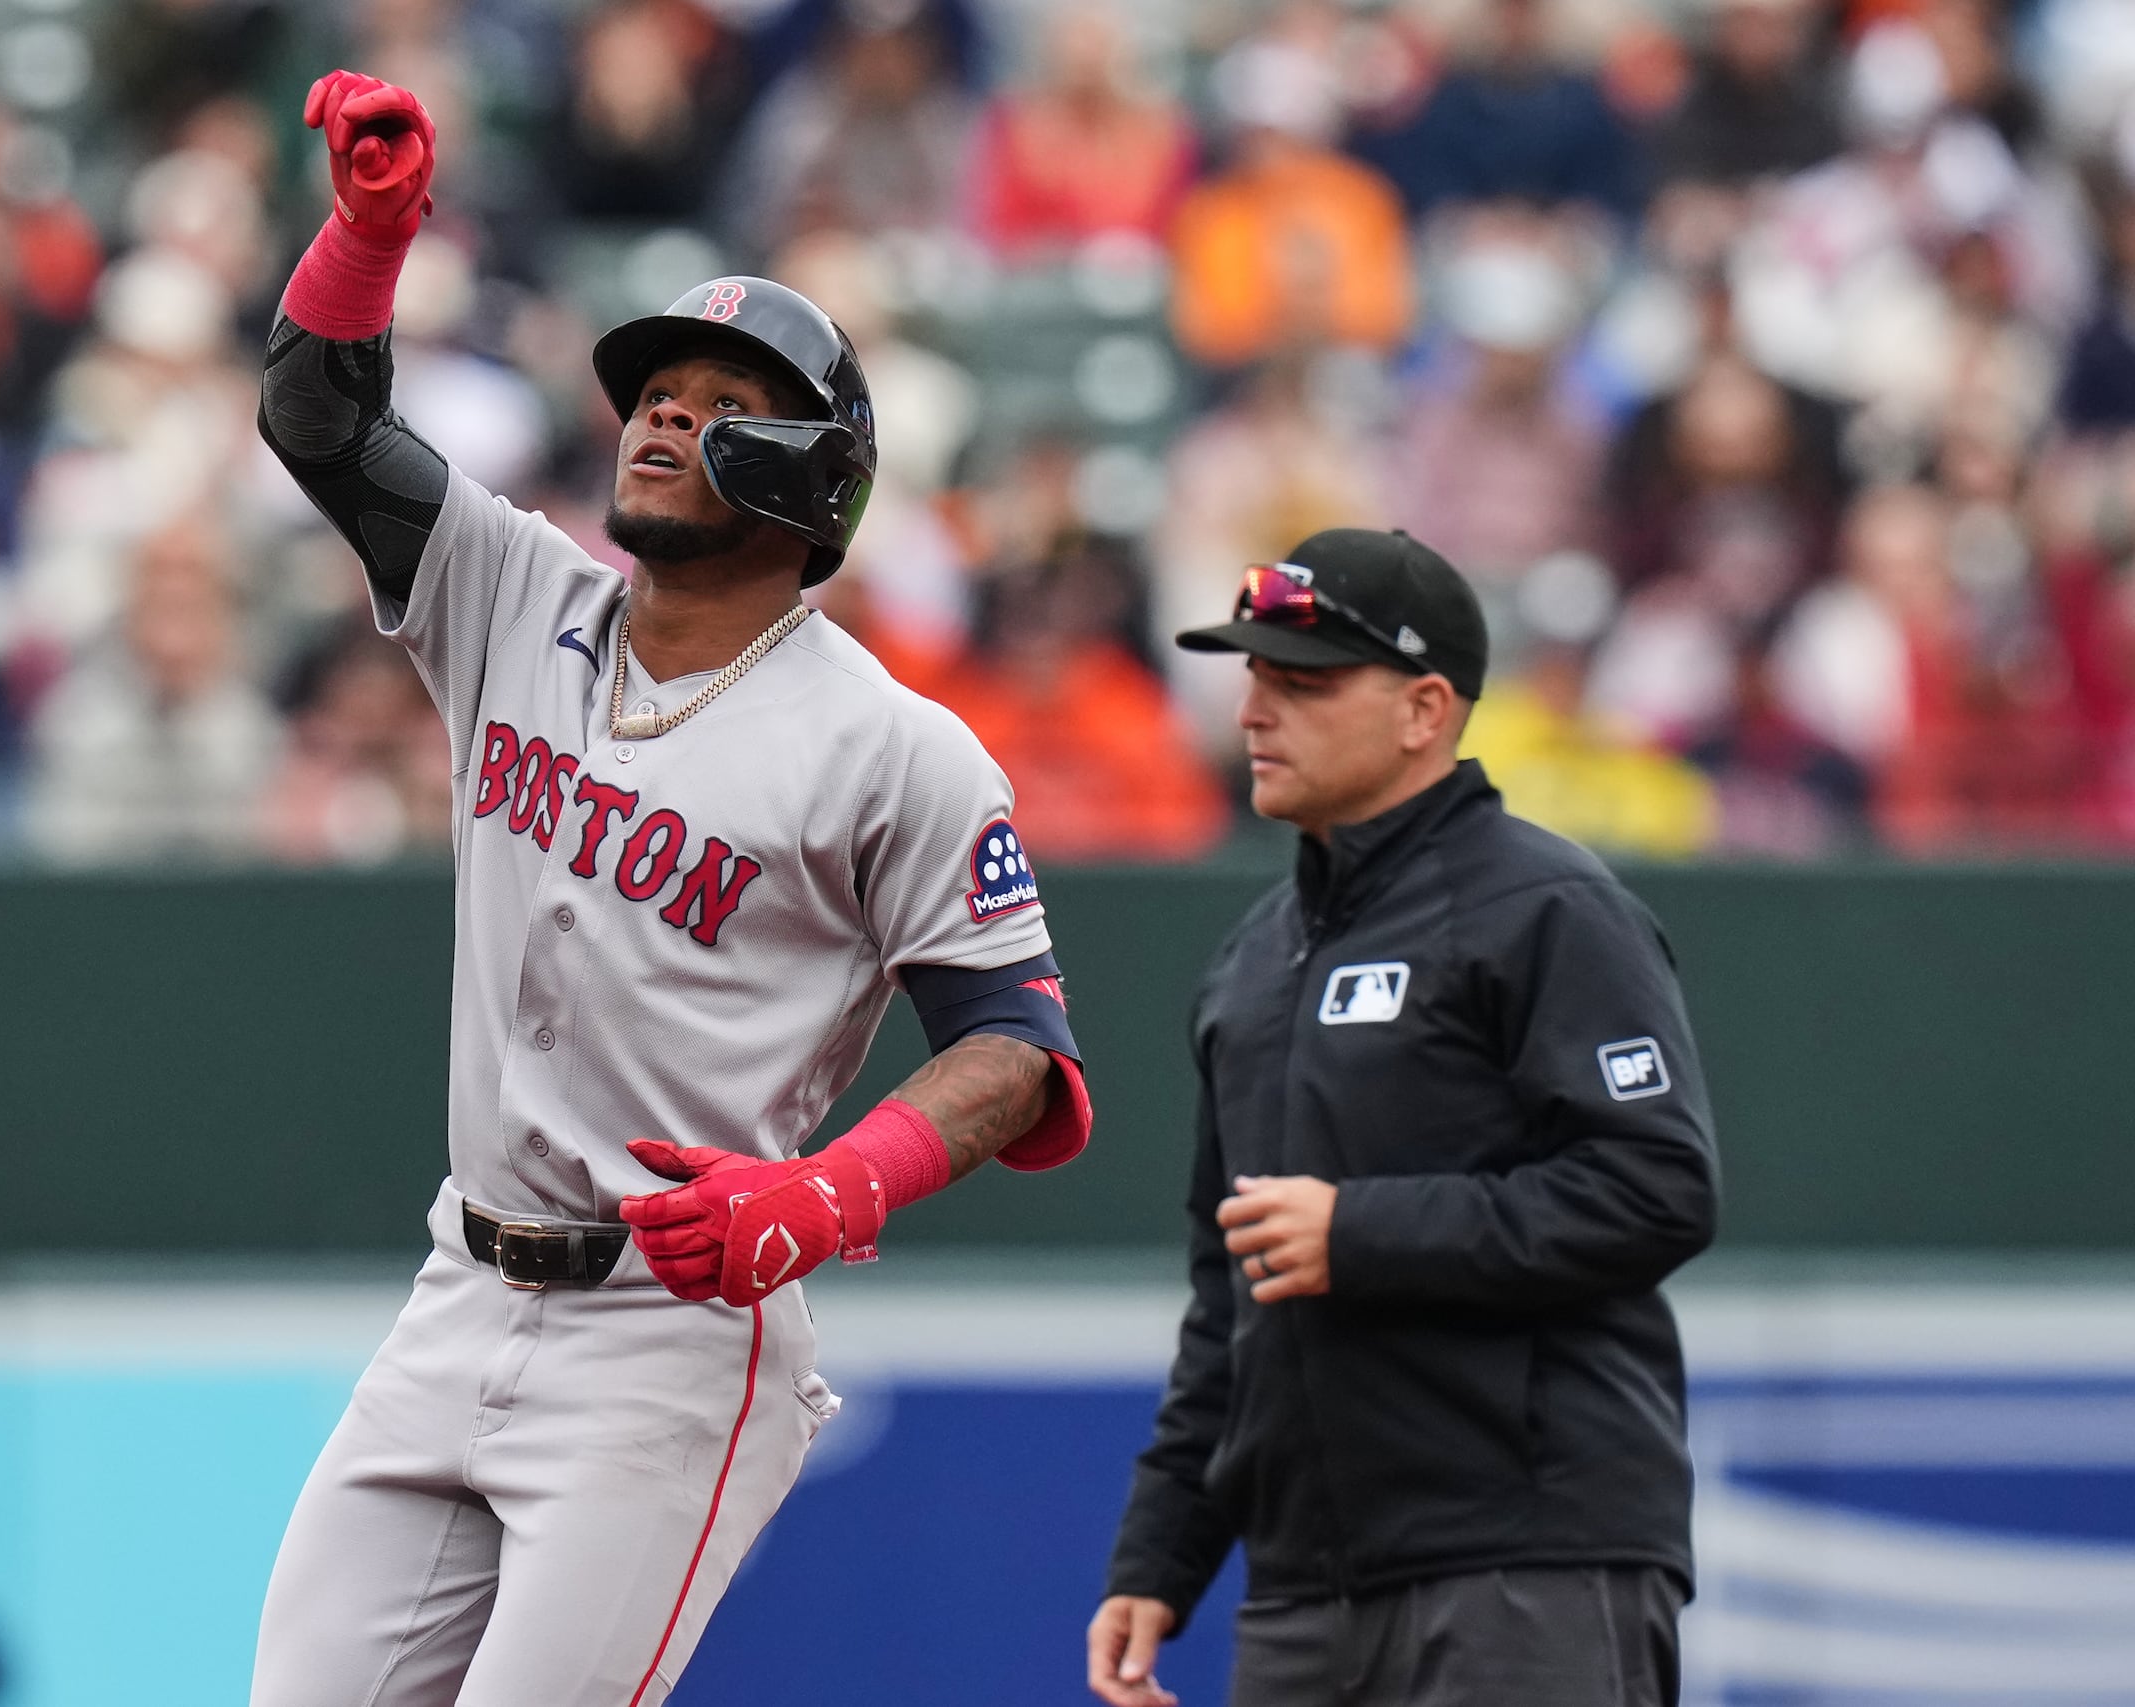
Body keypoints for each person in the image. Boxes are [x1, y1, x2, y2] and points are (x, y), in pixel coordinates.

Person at [249, 70, 1091, 1707]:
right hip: (459, 1281)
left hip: (668, 1336)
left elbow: (1018, 1044)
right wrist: (367, 238)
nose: (658, 411)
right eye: (654, 387)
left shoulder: (894, 744)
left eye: (715, 398)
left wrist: (832, 1190)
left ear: (809, 469)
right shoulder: (516, 590)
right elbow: (321, 424)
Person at [1087, 531, 1718, 1707]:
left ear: (1426, 708)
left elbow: (1656, 1189)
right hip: (1303, 1587)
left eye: (1304, 682)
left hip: (1527, 1557)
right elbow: (1228, 1294)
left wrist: (1361, 1235)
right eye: (1254, 677)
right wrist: (1162, 1552)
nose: (1255, 712)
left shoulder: (1550, 907)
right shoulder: (1253, 961)